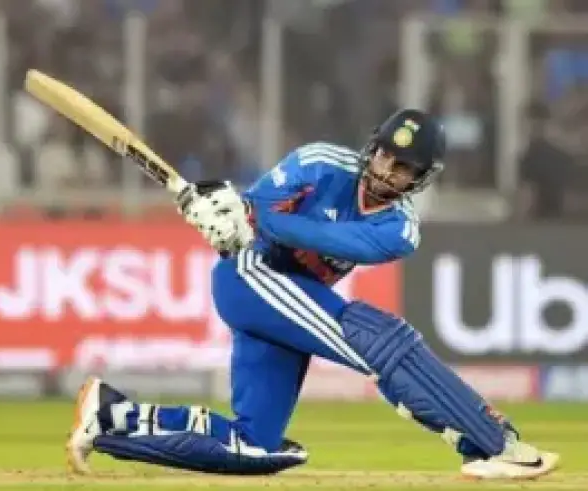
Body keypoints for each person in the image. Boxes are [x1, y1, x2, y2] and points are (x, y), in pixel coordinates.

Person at [66, 109, 560, 480]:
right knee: (379, 339)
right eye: (386, 155)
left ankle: (115, 418)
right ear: (373, 147)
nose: (387, 170)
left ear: (420, 178)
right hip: (249, 277)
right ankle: (494, 444)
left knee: (254, 446)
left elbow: (328, 239)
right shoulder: (319, 161)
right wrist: (224, 215)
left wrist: (257, 217)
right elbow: (249, 213)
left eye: (403, 167)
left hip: (288, 302)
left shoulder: (400, 229)